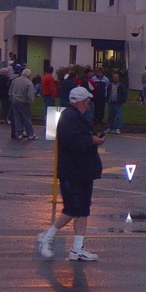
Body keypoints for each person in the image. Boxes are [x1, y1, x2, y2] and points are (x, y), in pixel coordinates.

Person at [36, 86, 104, 262]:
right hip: (72, 171)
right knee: (72, 209)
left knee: (83, 210)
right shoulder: (69, 118)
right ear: (82, 102)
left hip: (82, 171)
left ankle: (77, 248)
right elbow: (73, 142)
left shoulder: (75, 117)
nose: (89, 104)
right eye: (87, 101)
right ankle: (48, 235)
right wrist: (92, 140)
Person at [9, 68, 39, 140]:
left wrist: (11, 99)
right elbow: (30, 95)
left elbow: (10, 91)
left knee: (17, 118)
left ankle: (19, 133)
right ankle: (30, 134)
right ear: (29, 75)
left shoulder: (15, 80)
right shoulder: (28, 83)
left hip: (15, 101)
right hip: (23, 102)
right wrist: (30, 103)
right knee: (26, 118)